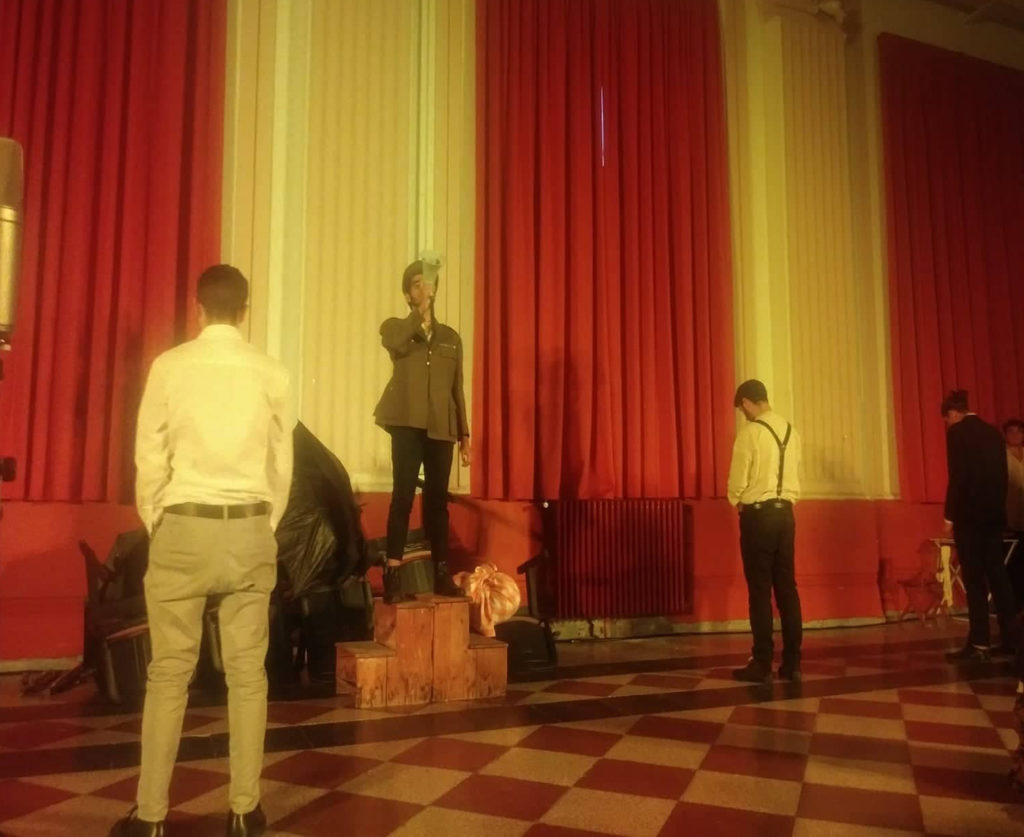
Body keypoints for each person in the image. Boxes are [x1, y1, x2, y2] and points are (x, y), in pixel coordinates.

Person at [110, 265, 294, 837]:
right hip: (248, 528)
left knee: (169, 674)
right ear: (245, 311)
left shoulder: (170, 366)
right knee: (247, 675)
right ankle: (244, 811)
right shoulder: (271, 371)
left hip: (184, 526)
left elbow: (148, 454)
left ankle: (151, 818)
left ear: (198, 309)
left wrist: (157, 520)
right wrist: (266, 522)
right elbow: (282, 463)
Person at [374, 256, 470, 600]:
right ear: (407, 295)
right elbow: (396, 343)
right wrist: (420, 314)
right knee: (402, 497)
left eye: (428, 283)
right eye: (417, 284)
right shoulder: (395, 328)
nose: (424, 288)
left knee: (437, 502)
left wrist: (464, 435)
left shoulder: (450, 338)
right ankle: (394, 575)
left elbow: (457, 388)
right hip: (406, 424)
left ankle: (441, 573)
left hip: (441, 428)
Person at [727, 379, 803, 683]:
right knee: (787, 588)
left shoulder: (751, 433)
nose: (743, 414)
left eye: (742, 408)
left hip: (758, 517)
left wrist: (738, 501)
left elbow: (737, 481)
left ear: (747, 402)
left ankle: (761, 662)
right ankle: (793, 663)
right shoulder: (791, 431)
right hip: (786, 515)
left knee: (759, 591)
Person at [941, 390, 1017, 661]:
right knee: (999, 578)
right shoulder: (993, 433)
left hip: (970, 519)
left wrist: (949, 516)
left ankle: (979, 643)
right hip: (994, 517)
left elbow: (958, 477)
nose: (948, 424)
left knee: (974, 581)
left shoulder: (957, 433)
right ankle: (1012, 640)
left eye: (947, 419)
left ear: (953, 414)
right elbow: (1002, 477)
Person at [1005, 419, 1024, 606]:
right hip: (1010, 516)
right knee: (1013, 563)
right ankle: (1016, 604)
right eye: (1011, 431)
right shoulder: (1001, 456)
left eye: (1019, 431)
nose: (1015, 435)